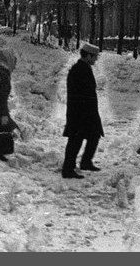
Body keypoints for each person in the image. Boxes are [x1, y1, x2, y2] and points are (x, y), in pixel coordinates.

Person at [61, 42, 104, 178]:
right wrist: (87, 112)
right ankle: (68, 169)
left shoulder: (82, 68)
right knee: (76, 139)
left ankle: (85, 162)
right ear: (88, 56)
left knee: (93, 136)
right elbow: (81, 94)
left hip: (84, 112)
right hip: (81, 113)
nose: (96, 59)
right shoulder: (80, 69)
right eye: (94, 56)